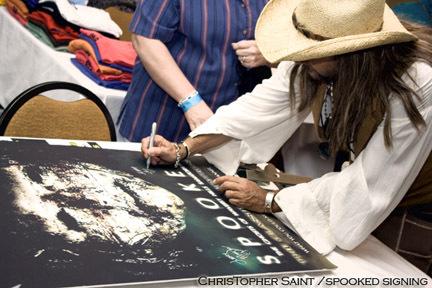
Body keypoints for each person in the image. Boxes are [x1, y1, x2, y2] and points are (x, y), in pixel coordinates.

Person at [141, 0, 432, 274]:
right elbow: (251, 111)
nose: (300, 58)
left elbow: (369, 184)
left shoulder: (417, 86)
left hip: (411, 211)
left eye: (310, 53)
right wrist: (183, 149)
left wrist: (270, 199)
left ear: (347, 55)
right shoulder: (314, 61)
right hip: (353, 196)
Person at [118, 0, 270, 142]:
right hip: (163, 118)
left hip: (226, 130)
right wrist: (191, 102)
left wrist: (267, 53)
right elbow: (145, 39)